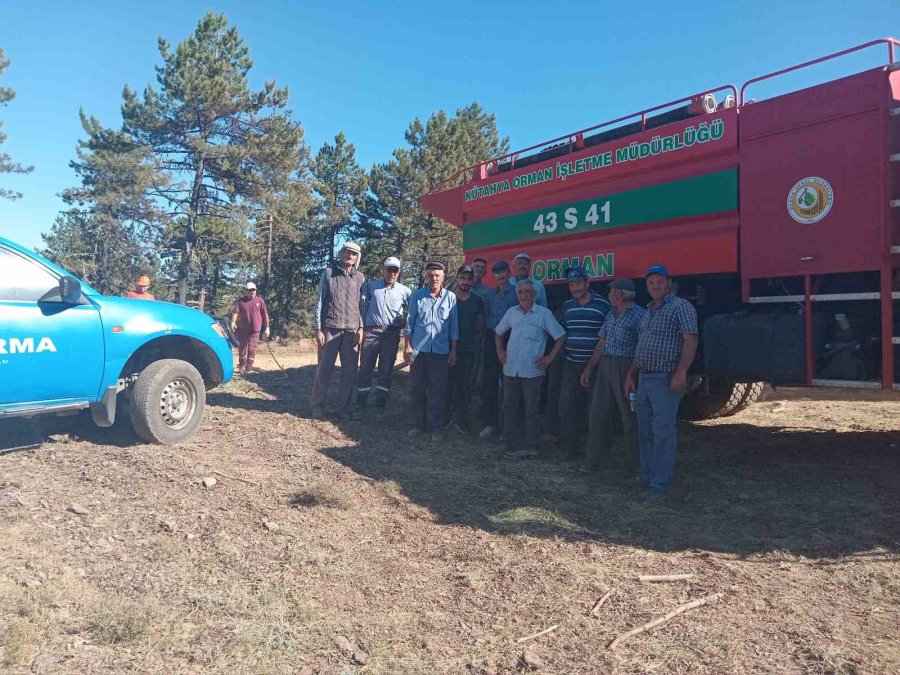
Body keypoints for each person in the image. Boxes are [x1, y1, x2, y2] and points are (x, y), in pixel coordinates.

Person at [624, 264, 699, 500]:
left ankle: (659, 486)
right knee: (645, 431)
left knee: (663, 432)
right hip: (644, 378)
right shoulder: (648, 311)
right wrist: (631, 373)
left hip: (665, 379)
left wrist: (682, 372)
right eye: (651, 282)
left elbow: (691, 338)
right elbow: (641, 345)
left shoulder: (681, 307)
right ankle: (646, 476)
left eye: (659, 281)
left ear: (669, 282)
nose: (655, 286)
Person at [580, 277, 645, 473]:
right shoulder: (611, 314)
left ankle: (634, 467)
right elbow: (602, 343)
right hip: (606, 365)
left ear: (620, 294)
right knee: (597, 414)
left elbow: (641, 348)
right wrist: (590, 368)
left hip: (625, 366)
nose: (609, 295)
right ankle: (592, 460)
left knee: (629, 418)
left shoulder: (639, 315)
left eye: (611, 292)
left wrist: (631, 374)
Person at [495, 279, 566, 454]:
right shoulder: (512, 312)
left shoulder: (544, 314)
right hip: (511, 369)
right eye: (520, 292)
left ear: (534, 294)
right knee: (509, 407)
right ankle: (508, 441)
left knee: (531, 410)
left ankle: (532, 446)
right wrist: (500, 351)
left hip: (533, 371)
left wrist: (550, 357)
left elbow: (560, 336)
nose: (524, 295)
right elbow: (498, 332)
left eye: (527, 292)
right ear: (517, 294)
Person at [557, 266, 611, 454]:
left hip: (594, 366)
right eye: (571, 284)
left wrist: (591, 366)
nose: (575, 288)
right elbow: (562, 333)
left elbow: (607, 337)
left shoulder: (603, 305)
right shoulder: (567, 306)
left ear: (587, 283)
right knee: (566, 405)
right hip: (570, 363)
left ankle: (595, 449)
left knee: (595, 408)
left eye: (578, 283)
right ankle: (570, 448)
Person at [310, 241, 366, 419]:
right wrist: (318, 328)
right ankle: (317, 406)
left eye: (354, 254)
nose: (350, 256)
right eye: (347, 252)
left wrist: (361, 329)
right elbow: (319, 301)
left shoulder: (360, 278)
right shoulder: (328, 273)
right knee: (324, 370)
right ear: (341, 254)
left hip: (351, 331)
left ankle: (343, 408)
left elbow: (361, 306)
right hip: (330, 328)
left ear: (357, 257)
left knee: (349, 372)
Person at [404, 261, 458, 442]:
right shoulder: (417, 296)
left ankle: (436, 427)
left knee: (438, 390)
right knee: (417, 389)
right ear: (426, 277)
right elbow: (409, 323)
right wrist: (408, 346)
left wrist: (453, 350)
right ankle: (418, 425)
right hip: (419, 351)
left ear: (443, 278)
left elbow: (454, 328)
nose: (433, 278)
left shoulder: (450, 297)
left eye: (437, 275)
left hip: (441, 352)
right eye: (430, 275)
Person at [355, 256, 411, 417]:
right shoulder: (370, 287)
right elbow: (362, 308)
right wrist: (361, 328)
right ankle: (361, 402)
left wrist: (405, 320)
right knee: (365, 368)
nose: (392, 273)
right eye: (389, 269)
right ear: (383, 269)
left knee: (386, 369)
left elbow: (413, 311)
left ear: (399, 272)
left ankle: (381, 403)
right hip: (371, 332)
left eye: (395, 270)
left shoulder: (405, 291)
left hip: (391, 334)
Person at [478, 260, 518, 439]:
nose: (500, 277)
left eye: (503, 274)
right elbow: (484, 316)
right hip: (491, 338)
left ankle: (509, 427)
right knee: (489, 383)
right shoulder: (489, 295)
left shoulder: (517, 293)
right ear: (493, 276)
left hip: (511, 340)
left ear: (509, 274)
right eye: (497, 274)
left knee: (510, 384)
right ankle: (490, 423)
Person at [445, 264, 484, 433]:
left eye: (469, 279)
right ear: (457, 279)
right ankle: (445, 419)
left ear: (473, 280)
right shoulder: (448, 298)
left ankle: (462, 421)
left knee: (464, 385)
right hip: (446, 349)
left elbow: (480, 323)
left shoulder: (477, 301)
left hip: (468, 349)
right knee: (446, 385)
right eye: (462, 278)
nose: (465, 281)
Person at [230, 282, 270, 375]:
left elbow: (265, 314)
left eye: (253, 290)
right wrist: (233, 321)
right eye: (250, 290)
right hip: (243, 329)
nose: (252, 292)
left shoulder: (260, 301)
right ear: (246, 291)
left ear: (256, 290)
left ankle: (248, 369)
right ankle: (242, 366)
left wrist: (267, 327)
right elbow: (236, 312)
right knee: (242, 349)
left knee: (251, 349)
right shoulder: (241, 301)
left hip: (255, 330)